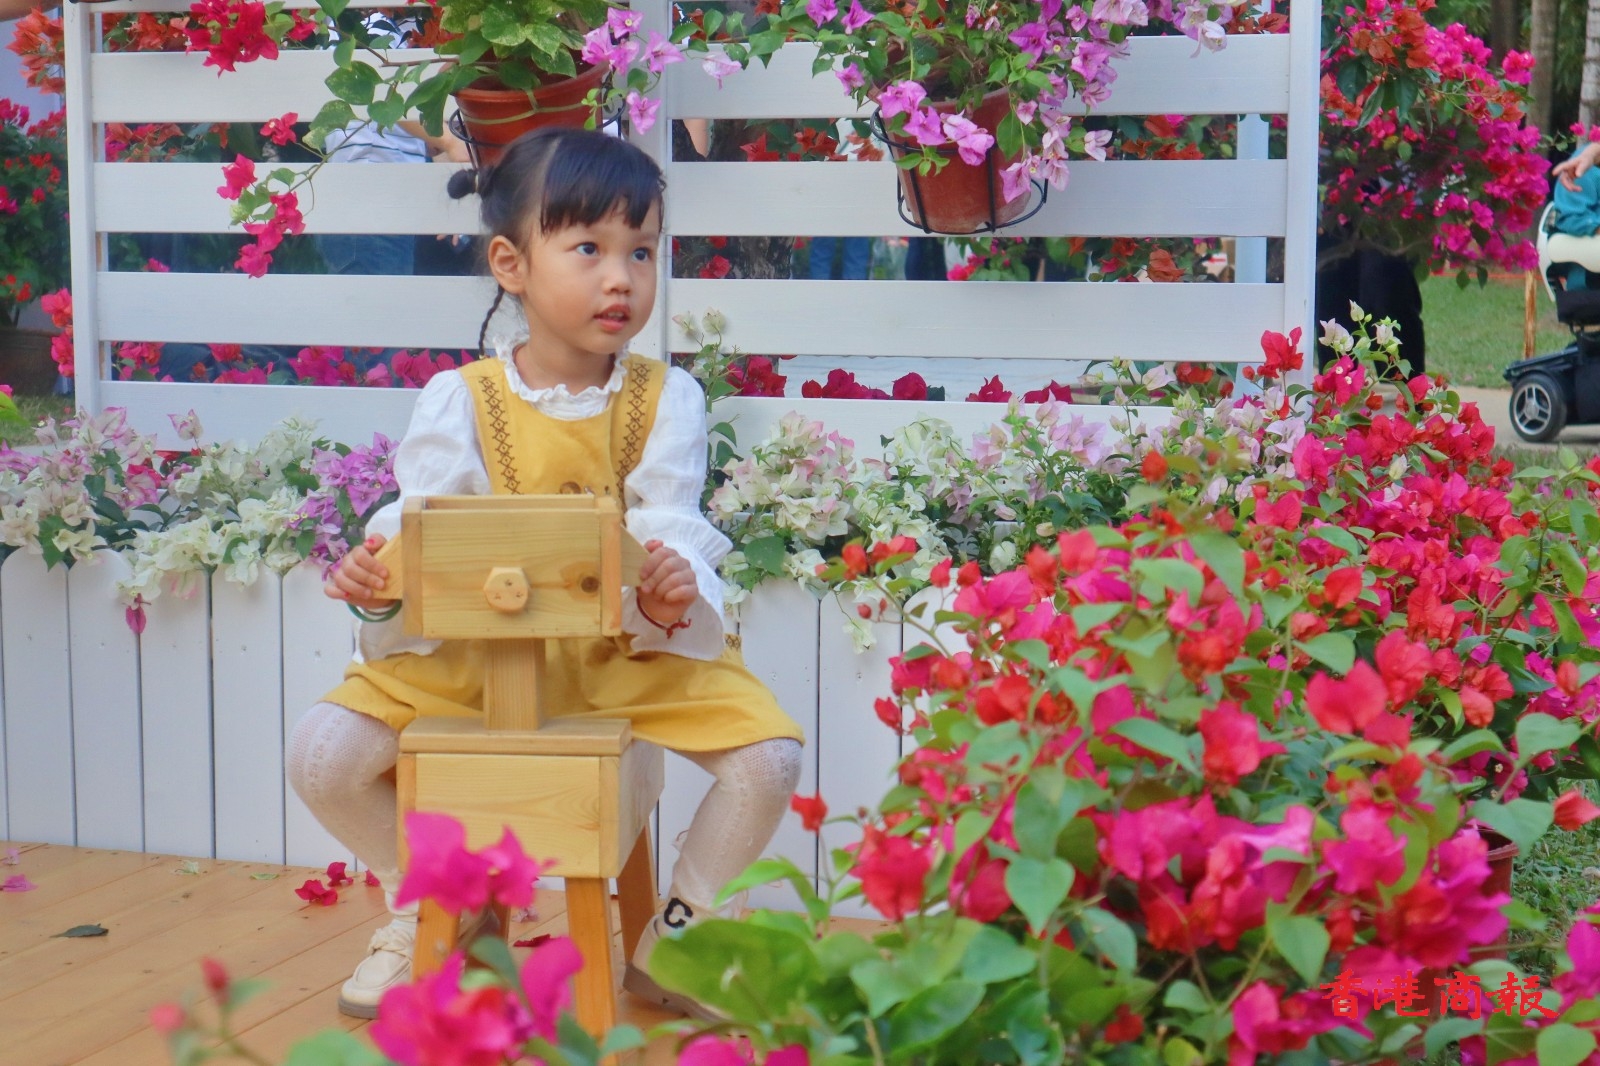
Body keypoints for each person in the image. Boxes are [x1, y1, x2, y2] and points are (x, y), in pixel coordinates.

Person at [284, 127, 805, 1021]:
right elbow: (420, 529)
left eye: (641, 251)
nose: (621, 279)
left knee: (769, 760)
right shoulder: (462, 399)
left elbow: (667, 521)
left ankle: (683, 931)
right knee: (322, 757)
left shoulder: (666, 399)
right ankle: (435, 900)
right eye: (589, 249)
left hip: (622, 656)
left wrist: (670, 584)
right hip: (483, 659)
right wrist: (383, 578)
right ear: (511, 264)